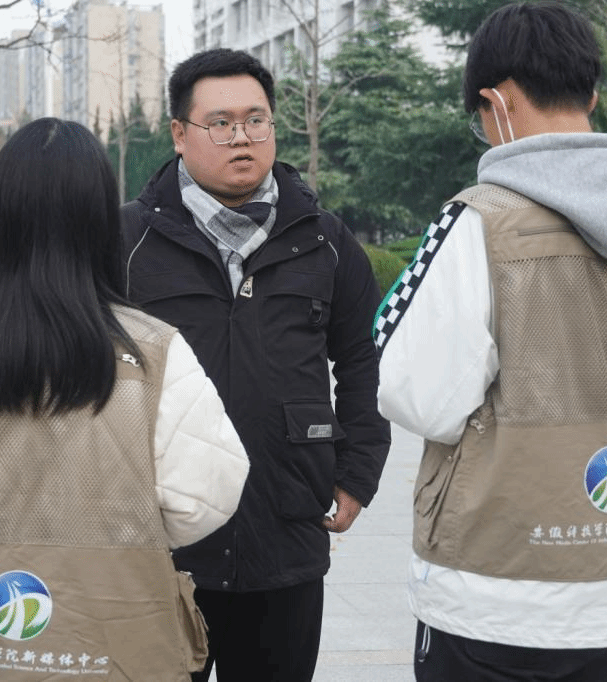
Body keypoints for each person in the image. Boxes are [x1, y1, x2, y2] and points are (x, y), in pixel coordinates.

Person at [373, 3, 607, 680]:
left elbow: (420, 397)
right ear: (591, 96)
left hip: (493, 587)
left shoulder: (479, 224)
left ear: (497, 103)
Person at [0, 118, 250, 682]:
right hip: (118, 652)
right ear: (101, 221)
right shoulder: (154, 353)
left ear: (1, 218)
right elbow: (206, 495)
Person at [121, 48, 390, 681]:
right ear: (179, 134)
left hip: (285, 531)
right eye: (220, 122)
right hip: (160, 539)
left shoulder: (324, 240)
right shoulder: (126, 240)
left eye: (255, 119)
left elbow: (364, 360)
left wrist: (357, 473)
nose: (241, 136)